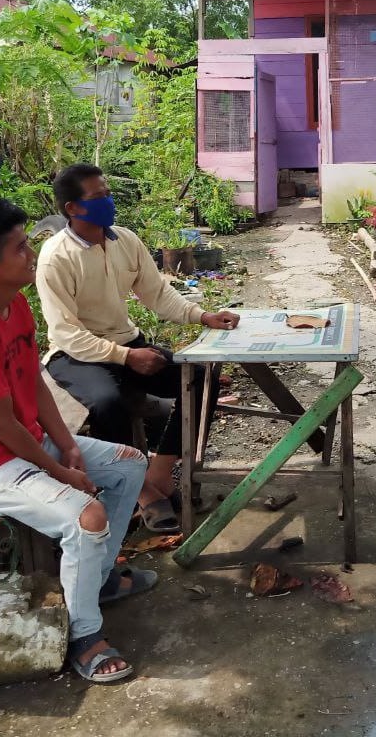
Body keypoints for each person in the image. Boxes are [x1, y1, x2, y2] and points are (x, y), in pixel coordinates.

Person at [0, 197, 150, 684]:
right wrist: (62, 471)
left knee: (130, 463)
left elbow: (31, 384)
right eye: (21, 247)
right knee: (87, 518)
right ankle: (84, 637)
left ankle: (99, 580)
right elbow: (1, 425)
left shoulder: (14, 305)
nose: (32, 254)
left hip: (24, 445)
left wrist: (67, 442)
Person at [36, 163, 239, 533]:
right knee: (109, 403)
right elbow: (65, 331)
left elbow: (156, 292)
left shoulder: (124, 241)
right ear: (72, 208)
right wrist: (127, 357)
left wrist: (201, 315)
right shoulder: (55, 256)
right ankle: (134, 487)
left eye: (107, 192)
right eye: (98, 197)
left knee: (197, 379)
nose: (108, 201)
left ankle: (158, 474)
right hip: (74, 355)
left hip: (125, 342)